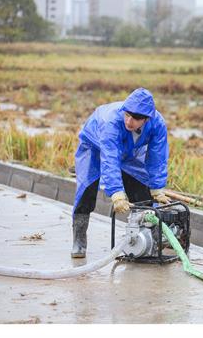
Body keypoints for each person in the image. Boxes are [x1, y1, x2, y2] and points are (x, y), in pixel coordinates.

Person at [71, 88, 171, 258]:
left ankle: (145, 241)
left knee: (142, 191)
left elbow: (157, 156)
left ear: (147, 119)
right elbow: (110, 158)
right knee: (86, 190)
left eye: (136, 118)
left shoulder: (157, 124)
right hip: (94, 145)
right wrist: (116, 193)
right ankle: (79, 241)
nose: (129, 121)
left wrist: (156, 187)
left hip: (127, 149)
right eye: (127, 115)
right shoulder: (112, 122)